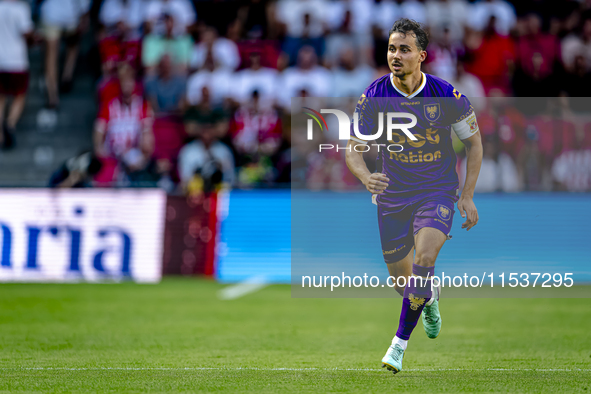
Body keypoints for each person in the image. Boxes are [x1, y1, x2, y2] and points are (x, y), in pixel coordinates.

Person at [344, 18, 483, 374]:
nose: (396, 55)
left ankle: (398, 345)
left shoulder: (447, 95)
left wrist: (466, 195)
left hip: (436, 190)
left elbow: (474, 144)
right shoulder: (374, 96)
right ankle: (431, 298)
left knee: (425, 255)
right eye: (392, 48)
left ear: (421, 55)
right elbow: (353, 150)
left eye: (404, 49)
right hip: (392, 195)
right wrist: (365, 177)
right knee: (404, 284)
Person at [0, 0, 33, 149]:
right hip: (16, 60)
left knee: (1, 97)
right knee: (19, 96)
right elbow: (27, 33)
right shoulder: (21, 9)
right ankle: (10, 123)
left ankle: (0, 133)